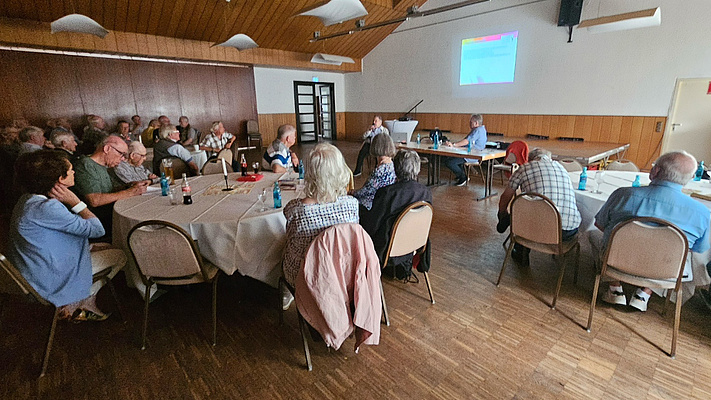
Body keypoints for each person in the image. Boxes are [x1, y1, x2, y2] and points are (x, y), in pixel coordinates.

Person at [7, 150, 126, 321]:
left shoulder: (27, 199)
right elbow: (98, 230)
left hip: (33, 270)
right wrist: (76, 203)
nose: (74, 172)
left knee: (106, 247)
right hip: (49, 280)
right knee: (120, 254)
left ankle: (80, 302)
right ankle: (77, 302)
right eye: (70, 170)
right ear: (60, 179)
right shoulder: (47, 207)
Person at [592, 151, 710, 312]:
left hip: (618, 261)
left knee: (594, 235)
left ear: (655, 171)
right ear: (688, 179)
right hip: (667, 270)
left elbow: (600, 225)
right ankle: (644, 294)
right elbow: (699, 249)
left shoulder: (623, 194)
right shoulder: (702, 213)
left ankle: (615, 288)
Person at [282, 143, 359, 308]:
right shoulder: (352, 204)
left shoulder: (297, 209)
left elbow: (290, 238)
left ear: (311, 174)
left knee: (279, 246)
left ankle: (286, 295)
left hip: (305, 278)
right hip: (342, 272)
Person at [497, 148, 581, 266]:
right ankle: (511, 224)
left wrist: (502, 213)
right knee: (535, 208)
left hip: (535, 229)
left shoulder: (524, 168)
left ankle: (520, 249)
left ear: (530, 159)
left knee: (524, 208)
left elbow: (505, 197)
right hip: (566, 232)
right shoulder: (562, 168)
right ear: (549, 158)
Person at [361, 149, 432, 278]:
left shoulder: (388, 193)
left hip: (388, 249)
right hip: (415, 244)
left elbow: (371, 226)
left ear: (396, 168)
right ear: (418, 168)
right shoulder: (425, 192)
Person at [72, 135, 148, 240]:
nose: (122, 159)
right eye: (121, 154)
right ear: (107, 149)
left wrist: (127, 187)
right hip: (100, 223)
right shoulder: (86, 165)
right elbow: (95, 200)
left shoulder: (103, 166)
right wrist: (130, 192)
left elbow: (107, 192)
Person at [351, 132, 396, 211]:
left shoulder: (379, 171)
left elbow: (365, 191)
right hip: (385, 204)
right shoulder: (392, 166)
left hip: (372, 206)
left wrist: (353, 192)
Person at [444, 114, 488, 186]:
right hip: (469, 153)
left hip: (472, 155)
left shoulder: (478, 130)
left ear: (476, 123)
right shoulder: (481, 129)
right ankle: (461, 175)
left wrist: (454, 145)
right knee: (451, 159)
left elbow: (467, 141)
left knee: (449, 162)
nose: (469, 124)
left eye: (471, 122)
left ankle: (463, 177)